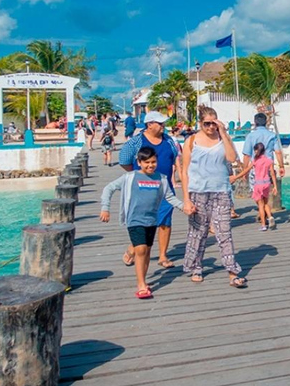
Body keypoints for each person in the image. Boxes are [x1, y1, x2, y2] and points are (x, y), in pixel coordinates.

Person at [100, 146, 190, 299]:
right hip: (134, 219)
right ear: (139, 162)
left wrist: (183, 207)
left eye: (153, 162)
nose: (150, 165)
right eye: (147, 162)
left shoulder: (161, 178)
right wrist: (105, 208)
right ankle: (141, 284)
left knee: (146, 251)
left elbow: (169, 197)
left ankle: (142, 275)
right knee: (141, 250)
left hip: (151, 220)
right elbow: (109, 188)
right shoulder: (130, 177)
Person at [180, 106, 247, 288]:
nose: (210, 127)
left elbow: (232, 158)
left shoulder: (222, 138)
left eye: (213, 123)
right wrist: (186, 199)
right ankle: (196, 266)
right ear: (200, 123)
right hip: (197, 192)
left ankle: (232, 272)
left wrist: (223, 133)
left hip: (221, 192)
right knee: (198, 232)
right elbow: (184, 172)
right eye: (206, 123)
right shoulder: (191, 140)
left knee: (224, 231)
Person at [119, 111, 181, 268]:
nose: (163, 126)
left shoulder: (170, 141)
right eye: (160, 124)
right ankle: (133, 248)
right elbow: (124, 161)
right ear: (149, 124)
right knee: (145, 223)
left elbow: (174, 159)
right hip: (142, 190)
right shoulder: (136, 142)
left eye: (163, 124)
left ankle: (162, 255)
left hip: (165, 188)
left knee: (165, 222)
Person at [233, 142, 277, 231]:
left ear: (256, 151)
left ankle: (263, 225)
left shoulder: (255, 161)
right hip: (266, 184)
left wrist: (236, 177)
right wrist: (275, 186)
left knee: (260, 205)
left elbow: (246, 171)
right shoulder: (269, 161)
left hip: (258, 184)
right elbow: (272, 174)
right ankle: (270, 217)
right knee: (265, 203)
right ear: (264, 151)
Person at [242, 112, 285, 194]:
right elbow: (278, 152)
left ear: (255, 123)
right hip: (268, 167)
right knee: (267, 193)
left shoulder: (250, 136)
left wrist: (245, 171)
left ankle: (261, 207)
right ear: (266, 122)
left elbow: (247, 155)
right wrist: (281, 166)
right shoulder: (272, 135)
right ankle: (265, 206)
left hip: (255, 167)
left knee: (256, 192)